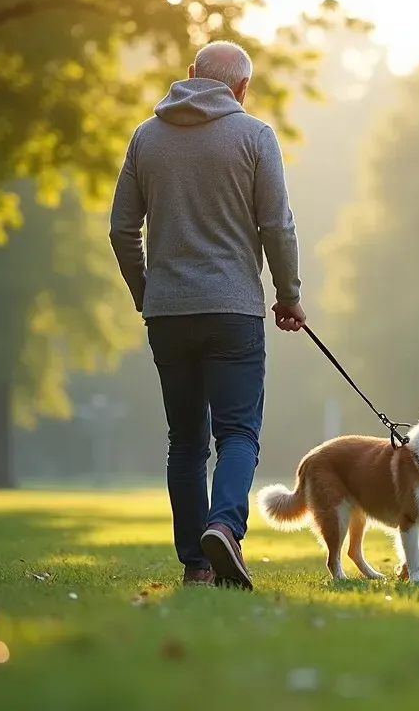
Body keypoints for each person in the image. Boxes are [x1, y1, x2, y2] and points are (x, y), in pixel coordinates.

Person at [109, 41, 305, 590]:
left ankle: (196, 564)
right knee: (238, 433)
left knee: (186, 441)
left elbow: (121, 230)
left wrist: (146, 291)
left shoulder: (147, 137)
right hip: (233, 309)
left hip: (168, 312)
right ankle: (224, 526)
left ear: (191, 74)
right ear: (241, 88)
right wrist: (288, 294)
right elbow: (277, 226)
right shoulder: (255, 136)